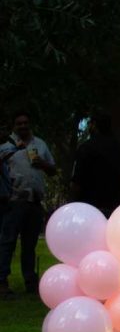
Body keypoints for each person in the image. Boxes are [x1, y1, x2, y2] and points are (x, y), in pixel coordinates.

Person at [0, 110, 57, 298]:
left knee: (29, 245)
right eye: (19, 124)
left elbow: (53, 170)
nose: (23, 126)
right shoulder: (6, 146)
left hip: (34, 202)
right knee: (7, 242)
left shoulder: (40, 144)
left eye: (25, 123)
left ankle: (30, 282)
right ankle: (2, 283)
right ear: (13, 126)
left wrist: (42, 163)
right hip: (14, 200)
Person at [71, 111, 120, 216]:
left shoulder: (86, 148)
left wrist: (73, 204)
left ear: (94, 125)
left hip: (89, 208)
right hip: (114, 208)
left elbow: (77, 181)